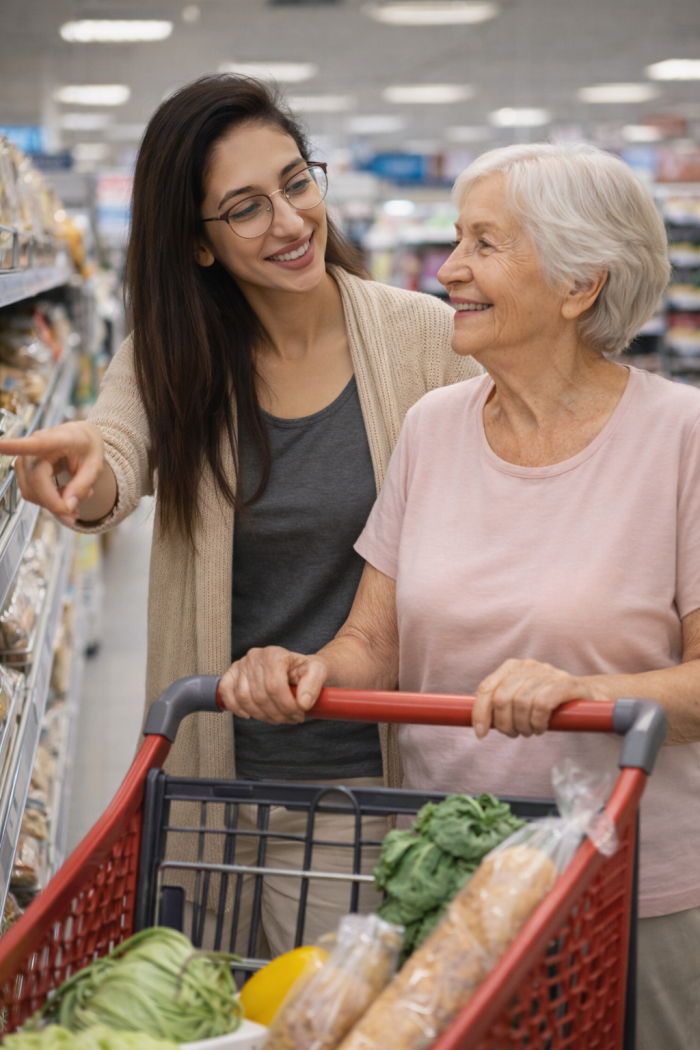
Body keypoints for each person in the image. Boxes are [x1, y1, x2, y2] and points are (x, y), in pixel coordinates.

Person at [221, 142, 700, 1048]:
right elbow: (375, 641)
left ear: (578, 285)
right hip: (451, 880)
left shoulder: (681, 439)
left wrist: (586, 697)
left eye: (485, 244)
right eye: (454, 239)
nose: (448, 270)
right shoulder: (433, 428)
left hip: (630, 889)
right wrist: (306, 669)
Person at [0, 75, 480, 953]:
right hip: (215, 774)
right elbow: (116, 452)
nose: (292, 223)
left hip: (373, 778)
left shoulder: (427, 339)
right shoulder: (172, 356)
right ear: (199, 244)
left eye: (297, 183)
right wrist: (84, 474)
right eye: (247, 208)